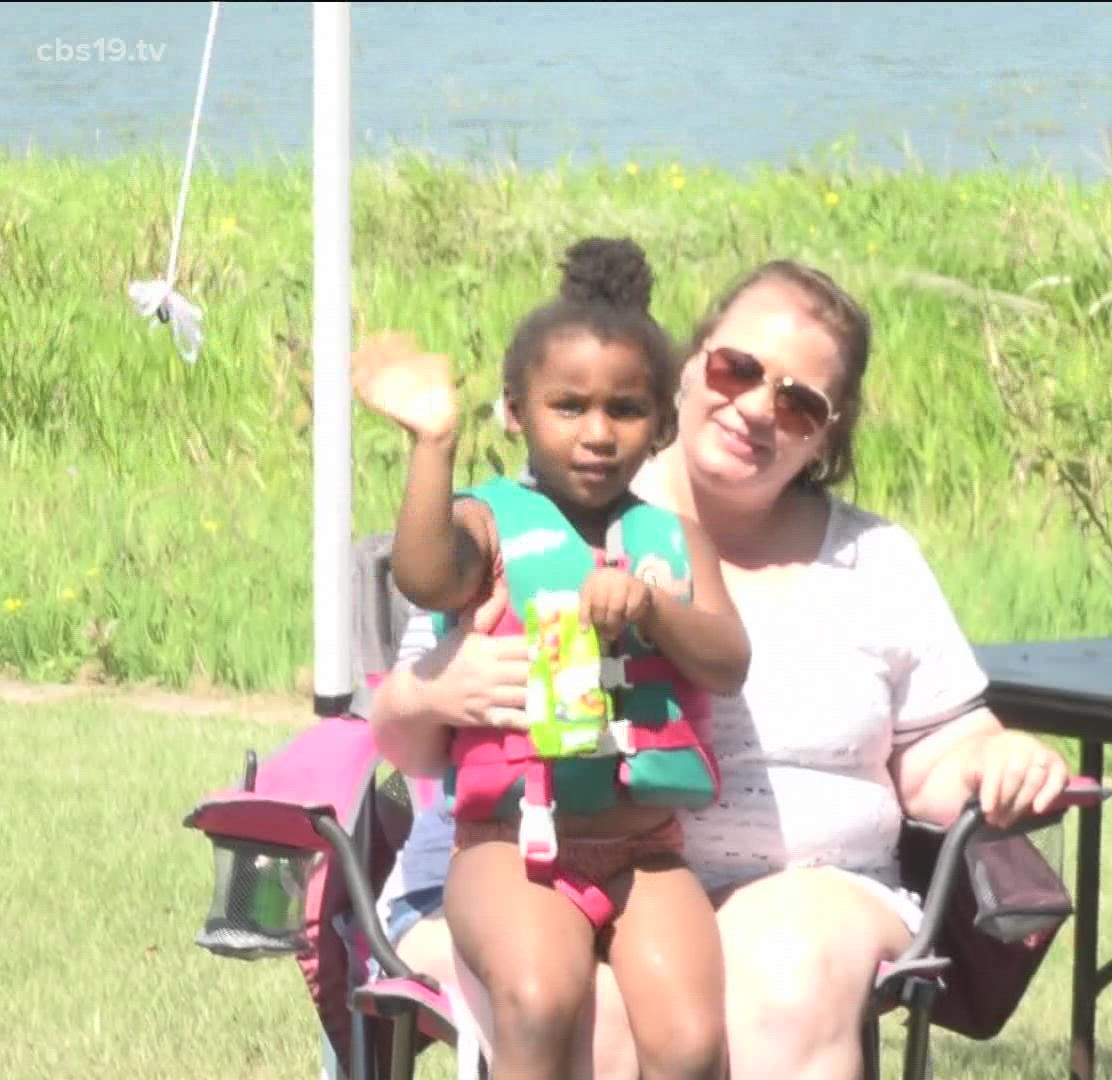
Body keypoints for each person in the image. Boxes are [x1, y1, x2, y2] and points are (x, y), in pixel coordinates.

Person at [370, 257, 1074, 1079]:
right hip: (531, 854)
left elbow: (937, 752)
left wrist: (998, 757)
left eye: (799, 402)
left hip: (780, 890)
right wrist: (437, 688)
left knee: (781, 968)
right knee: (584, 1012)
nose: (754, 408)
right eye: (736, 368)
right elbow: (398, 731)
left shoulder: (871, 559)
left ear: (829, 434)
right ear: (690, 363)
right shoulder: (530, 517)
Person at [354, 236, 750, 1080]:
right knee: (542, 997)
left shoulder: (674, 541)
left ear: (662, 423)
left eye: (626, 409)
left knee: (688, 1043)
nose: (598, 434)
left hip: (648, 849)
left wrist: (652, 607)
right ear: (515, 410)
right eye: (568, 407)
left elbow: (727, 661)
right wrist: (433, 443)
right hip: (511, 843)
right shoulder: (489, 521)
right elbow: (426, 577)